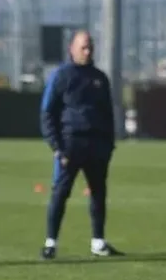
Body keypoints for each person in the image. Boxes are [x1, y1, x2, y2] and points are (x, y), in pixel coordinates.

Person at [40, 30, 123, 259]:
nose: (87, 52)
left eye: (90, 48)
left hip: (97, 145)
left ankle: (98, 242)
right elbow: (47, 112)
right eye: (83, 47)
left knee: (98, 193)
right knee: (60, 192)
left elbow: (108, 113)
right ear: (72, 48)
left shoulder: (99, 78)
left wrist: (109, 144)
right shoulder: (61, 76)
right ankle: (51, 243)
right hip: (70, 143)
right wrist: (57, 147)